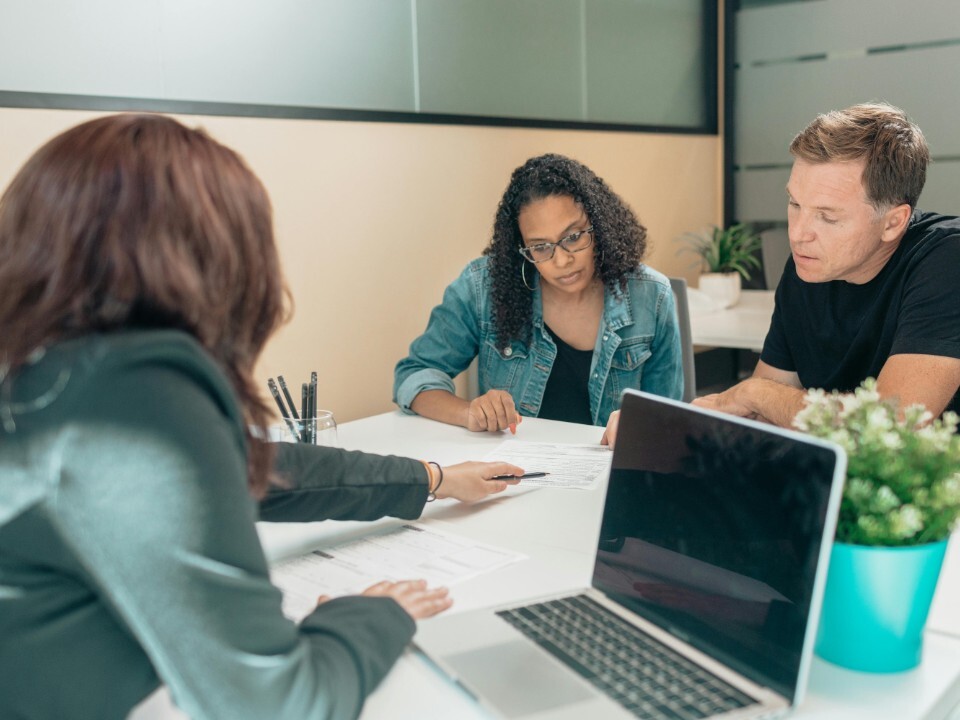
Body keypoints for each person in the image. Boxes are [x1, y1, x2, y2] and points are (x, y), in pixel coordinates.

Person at [0, 114, 524, 720]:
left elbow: (253, 465)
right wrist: (370, 613)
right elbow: (281, 706)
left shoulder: (46, 372)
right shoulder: (132, 391)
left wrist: (431, 478)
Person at [696, 103, 960, 427]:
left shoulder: (947, 259)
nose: (798, 234)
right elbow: (756, 420)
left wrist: (756, 394)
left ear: (893, 223)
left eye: (828, 216)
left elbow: (892, 423)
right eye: (795, 203)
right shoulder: (808, 266)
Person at [393, 154, 684, 445]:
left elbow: (667, 417)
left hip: (607, 475)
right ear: (521, 248)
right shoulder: (482, 287)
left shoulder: (651, 296)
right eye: (540, 247)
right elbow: (414, 375)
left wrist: (643, 425)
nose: (562, 260)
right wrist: (470, 411)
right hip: (515, 476)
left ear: (600, 225)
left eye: (573, 237)